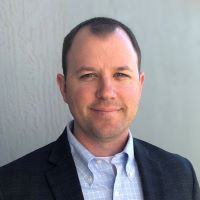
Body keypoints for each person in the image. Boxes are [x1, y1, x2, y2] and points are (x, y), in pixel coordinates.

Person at [0, 17, 199, 200]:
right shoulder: (10, 186)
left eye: (120, 74)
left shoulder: (181, 175)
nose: (106, 92)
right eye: (88, 75)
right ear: (64, 88)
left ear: (140, 85)